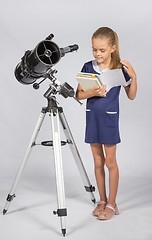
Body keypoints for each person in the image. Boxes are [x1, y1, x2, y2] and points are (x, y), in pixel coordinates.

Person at [76, 27, 137, 220]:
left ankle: (112, 203)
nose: (97, 54)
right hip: (92, 118)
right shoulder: (87, 66)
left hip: (109, 120)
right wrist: (93, 92)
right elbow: (78, 94)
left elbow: (132, 95)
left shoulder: (119, 68)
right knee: (97, 162)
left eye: (102, 50)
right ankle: (101, 201)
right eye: (94, 49)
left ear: (112, 48)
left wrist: (133, 77)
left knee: (110, 162)